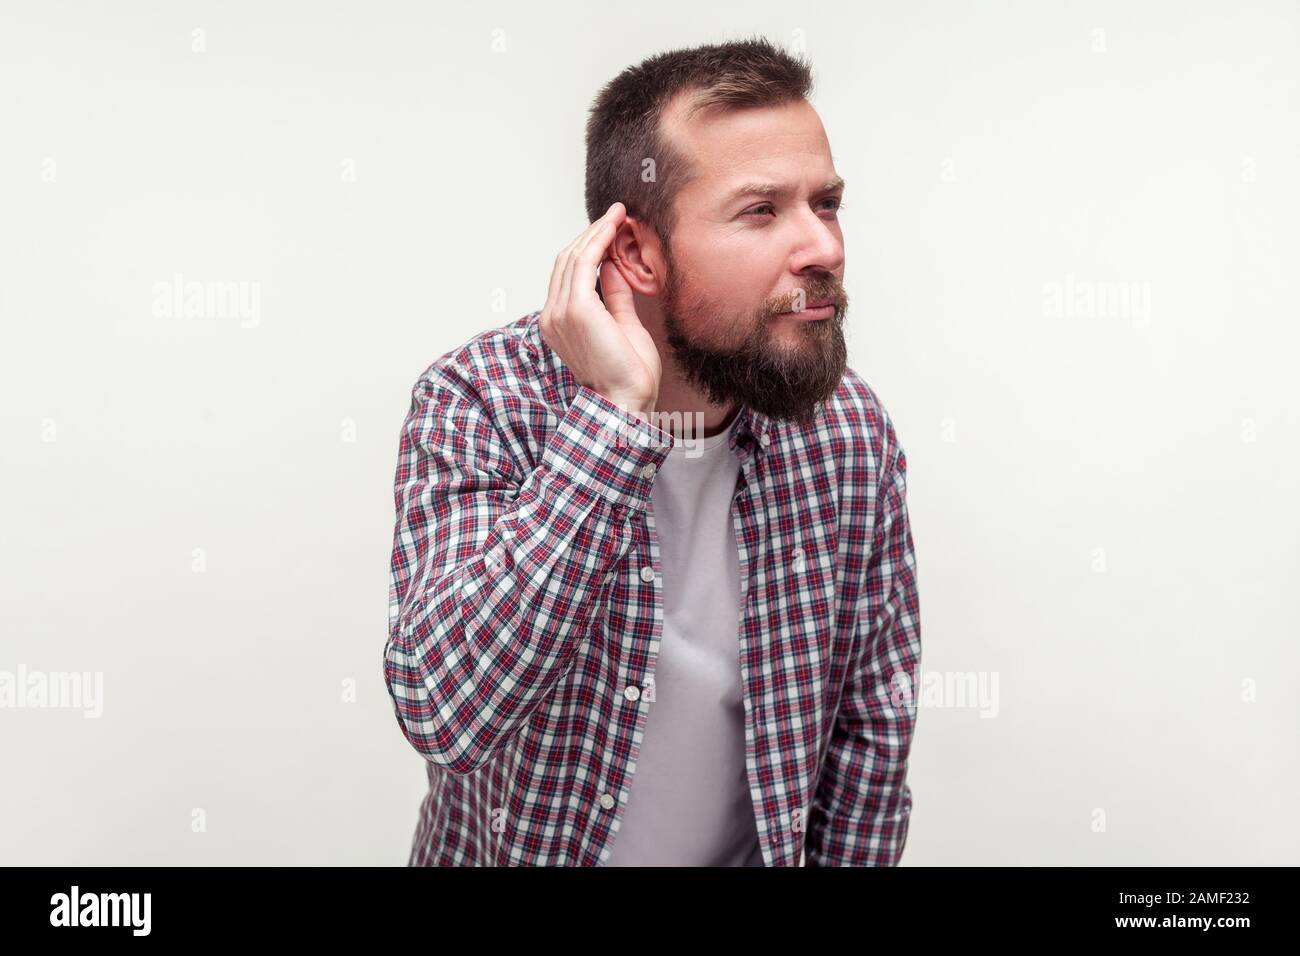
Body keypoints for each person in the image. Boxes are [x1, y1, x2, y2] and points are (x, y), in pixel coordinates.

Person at [384, 35, 922, 866]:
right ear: (635, 252)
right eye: (762, 210)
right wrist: (612, 424)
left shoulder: (850, 433)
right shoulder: (479, 399)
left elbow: (869, 739)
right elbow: (443, 708)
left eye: (826, 203)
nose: (823, 247)